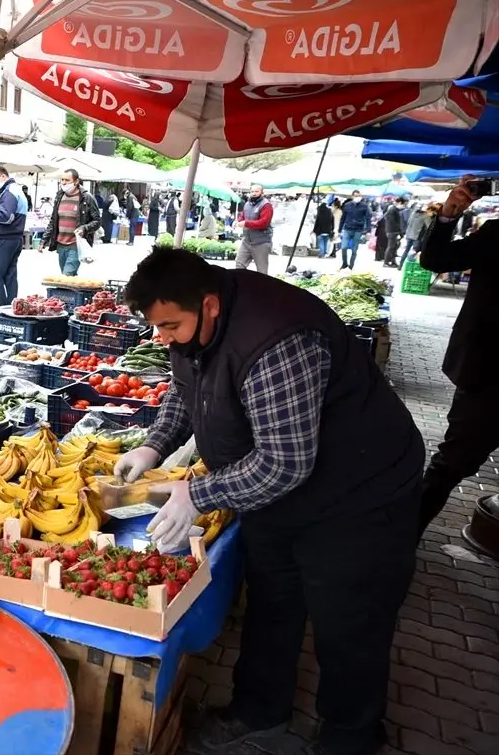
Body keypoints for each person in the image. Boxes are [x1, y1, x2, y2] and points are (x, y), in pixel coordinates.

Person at [117, 246, 423, 755]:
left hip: (358, 491)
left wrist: (198, 494)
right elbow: (186, 388)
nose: (161, 337)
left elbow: (284, 463)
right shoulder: (195, 318)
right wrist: (154, 443)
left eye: (169, 325)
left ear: (209, 305)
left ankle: (351, 736)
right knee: (272, 600)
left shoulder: (278, 339)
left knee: (347, 620)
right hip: (273, 493)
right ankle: (258, 708)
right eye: (156, 327)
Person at [416, 180, 496, 534]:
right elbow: (435, 260)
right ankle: (403, 540)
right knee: (451, 464)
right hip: (489, 378)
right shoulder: (497, 234)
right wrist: (448, 216)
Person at [0, 166, 27, 319]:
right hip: (15, 238)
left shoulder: (9, 192)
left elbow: (6, 217)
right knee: (10, 275)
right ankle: (12, 309)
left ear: (3, 176)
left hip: (5, 238)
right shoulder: (17, 190)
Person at [42, 169, 99, 277]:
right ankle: (73, 293)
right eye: (62, 180)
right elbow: (53, 220)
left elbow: (97, 221)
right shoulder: (59, 196)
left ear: (76, 181)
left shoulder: (86, 198)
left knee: (66, 275)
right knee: (68, 277)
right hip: (60, 244)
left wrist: (84, 228)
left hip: (75, 244)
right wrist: (44, 240)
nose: (63, 182)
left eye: (67, 180)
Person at [235, 184, 272, 274]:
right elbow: (243, 216)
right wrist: (237, 221)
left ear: (262, 193)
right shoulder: (247, 204)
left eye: (256, 191)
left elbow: (264, 223)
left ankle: (262, 287)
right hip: (247, 241)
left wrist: (246, 223)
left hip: (261, 242)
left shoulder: (266, 205)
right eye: (252, 191)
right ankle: (242, 285)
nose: (254, 193)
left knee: (262, 270)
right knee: (239, 264)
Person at [338, 190, 371, 270]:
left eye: (358, 196)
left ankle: (351, 265)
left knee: (354, 249)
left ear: (361, 196)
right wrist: (339, 229)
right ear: (352, 196)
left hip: (358, 230)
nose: (357, 197)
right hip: (347, 228)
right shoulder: (347, 205)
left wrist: (368, 230)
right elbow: (343, 218)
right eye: (355, 196)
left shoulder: (364, 206)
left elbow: (368, 218)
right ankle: (344, 263)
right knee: (344, 247)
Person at [397, 203, 431, 269]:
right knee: (414, 252)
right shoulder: (426, 216)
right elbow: (430, 227)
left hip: (409, 235)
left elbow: (408, 222)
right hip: (418, 237)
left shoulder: (413, 214)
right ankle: (411, 268)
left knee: (406, 251)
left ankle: (400, 265)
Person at [382, 197, 407, 267]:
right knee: (391, 247)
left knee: (394, 247)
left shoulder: (395, 210)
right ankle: (386, 262)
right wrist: (400, 232)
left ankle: (393, 262)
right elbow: (393, 223)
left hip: (393, 231)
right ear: (399, 203)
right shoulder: (392, 210)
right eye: (403, 204)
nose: (404, 206)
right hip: (392, 231)